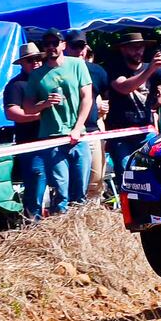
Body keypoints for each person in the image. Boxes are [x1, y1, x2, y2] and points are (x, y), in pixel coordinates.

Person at [23, 28, 92, 214]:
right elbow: (27, 108)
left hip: (78, 136)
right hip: (52, 138)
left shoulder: (77, 64)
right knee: (61, 191)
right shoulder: (37, 75)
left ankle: (82, 231)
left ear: (63, 45)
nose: (51, 47)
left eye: (55, 43)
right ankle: (62, 229)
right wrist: (44, 104)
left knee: (81, 190)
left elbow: (87, 98)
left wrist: (78, 128)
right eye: (47, 44)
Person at [106, 32, 161, 185]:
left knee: (152, 170)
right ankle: (128, 205)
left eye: (141, 47)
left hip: (145, 131)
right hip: (121, 135)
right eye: (133, 48)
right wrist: (149, 71)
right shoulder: (116, 68)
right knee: (126, 173)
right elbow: (123, 87)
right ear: (123, 49)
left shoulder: (152, 68)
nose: (138, 51)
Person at [64, 30, 110, 199]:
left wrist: (104, 107)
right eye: (75, 46)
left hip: (92, 131)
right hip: (65, 134)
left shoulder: (97, 71)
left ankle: (91, 219)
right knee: (69, 184)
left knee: (95, 182)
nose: (79, 50)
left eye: (82, 46)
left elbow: (108, 96)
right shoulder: (56, 70)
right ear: (65, 47)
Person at [3, 43, 46, 219]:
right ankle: (32, 225)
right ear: (22, 63)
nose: (35, 63)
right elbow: (11, 113)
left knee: (60, 184)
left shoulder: (48, 80)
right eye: (30, 60)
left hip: (53, 140)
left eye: (38, 59)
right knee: (36, 183)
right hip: (30, 144)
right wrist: (40, 116)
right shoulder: (16, 85)